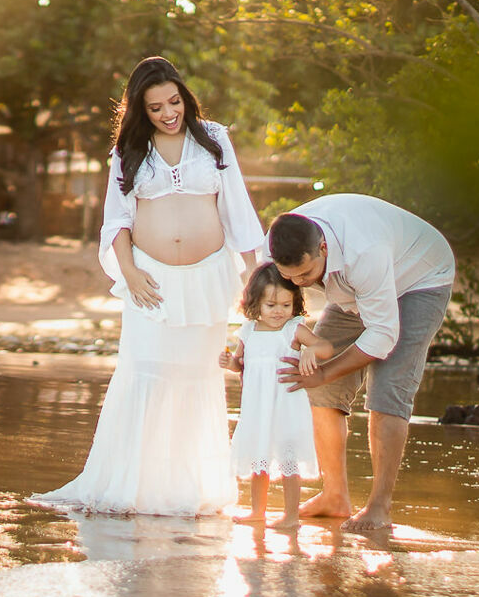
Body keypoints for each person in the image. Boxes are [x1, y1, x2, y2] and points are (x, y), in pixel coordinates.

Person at [34, 56, 266, 515]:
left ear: (185, 96)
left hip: (206, 281)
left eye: (174, 101)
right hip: (149, 281)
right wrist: (130, 273)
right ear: (141, 109)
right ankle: (130, 487)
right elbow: (117, 220)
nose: (168, 113)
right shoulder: (128, 150)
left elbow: (238, 210)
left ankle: (187, 490)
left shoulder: (214, 139)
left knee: (195, 379)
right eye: (156, 106)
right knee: (144, 374)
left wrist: (257, 278)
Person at [267, 195, 456, 534]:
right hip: (354, 290)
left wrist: (326, 369)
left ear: (322, 248)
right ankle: (335, 496)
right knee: (316, 385)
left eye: (306, 273)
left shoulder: (362, 252)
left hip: (417, 278)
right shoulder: (282, 240)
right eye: (289, 275)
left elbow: (382, 335)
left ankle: (379, 507)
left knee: (386, 391)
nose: (299, 282)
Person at [222, 262, 332, 523]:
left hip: (287, 406)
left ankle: (291, 515)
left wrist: (309, 351)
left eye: (286, 305)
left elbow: (326, 347)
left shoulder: (293, 330)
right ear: (255, 304)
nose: (279, 312)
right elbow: (241, 363)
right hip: (257, 407)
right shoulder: (248, 331)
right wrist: (231, 364)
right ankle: (257, 512)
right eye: (271, 306)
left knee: (287, 459)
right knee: (259, 459)